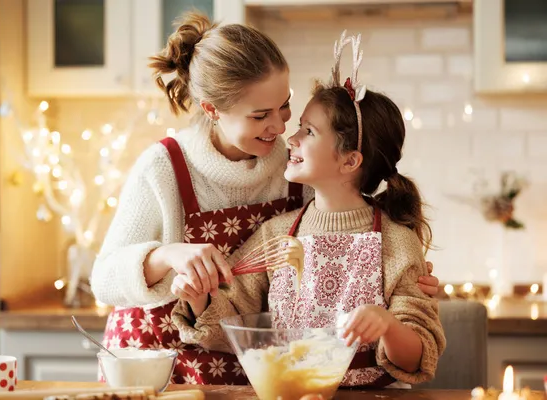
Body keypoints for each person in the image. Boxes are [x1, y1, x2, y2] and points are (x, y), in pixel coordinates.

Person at [90, 12, 440, 385]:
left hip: (258, 375)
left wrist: (406, 277)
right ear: (212, 109)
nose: (281, 128)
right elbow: (104, 280)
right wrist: (169, 256)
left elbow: (346, 219)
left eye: (284, 106)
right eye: (260, 116)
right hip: (159, 362)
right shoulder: (164, 166)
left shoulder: (295, 165)